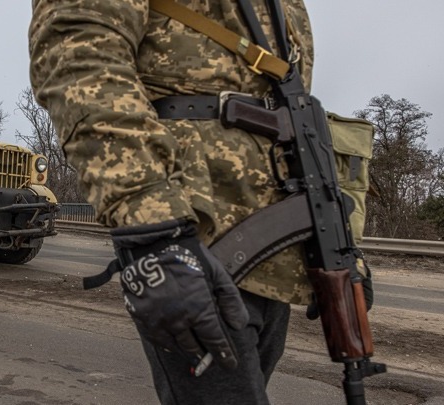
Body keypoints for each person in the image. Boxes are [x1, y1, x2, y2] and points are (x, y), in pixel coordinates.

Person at [29, 1, 315, 403]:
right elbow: (79, 56)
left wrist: (329, 234)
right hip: (192, 222)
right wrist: (153, 227)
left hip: (273, 237)